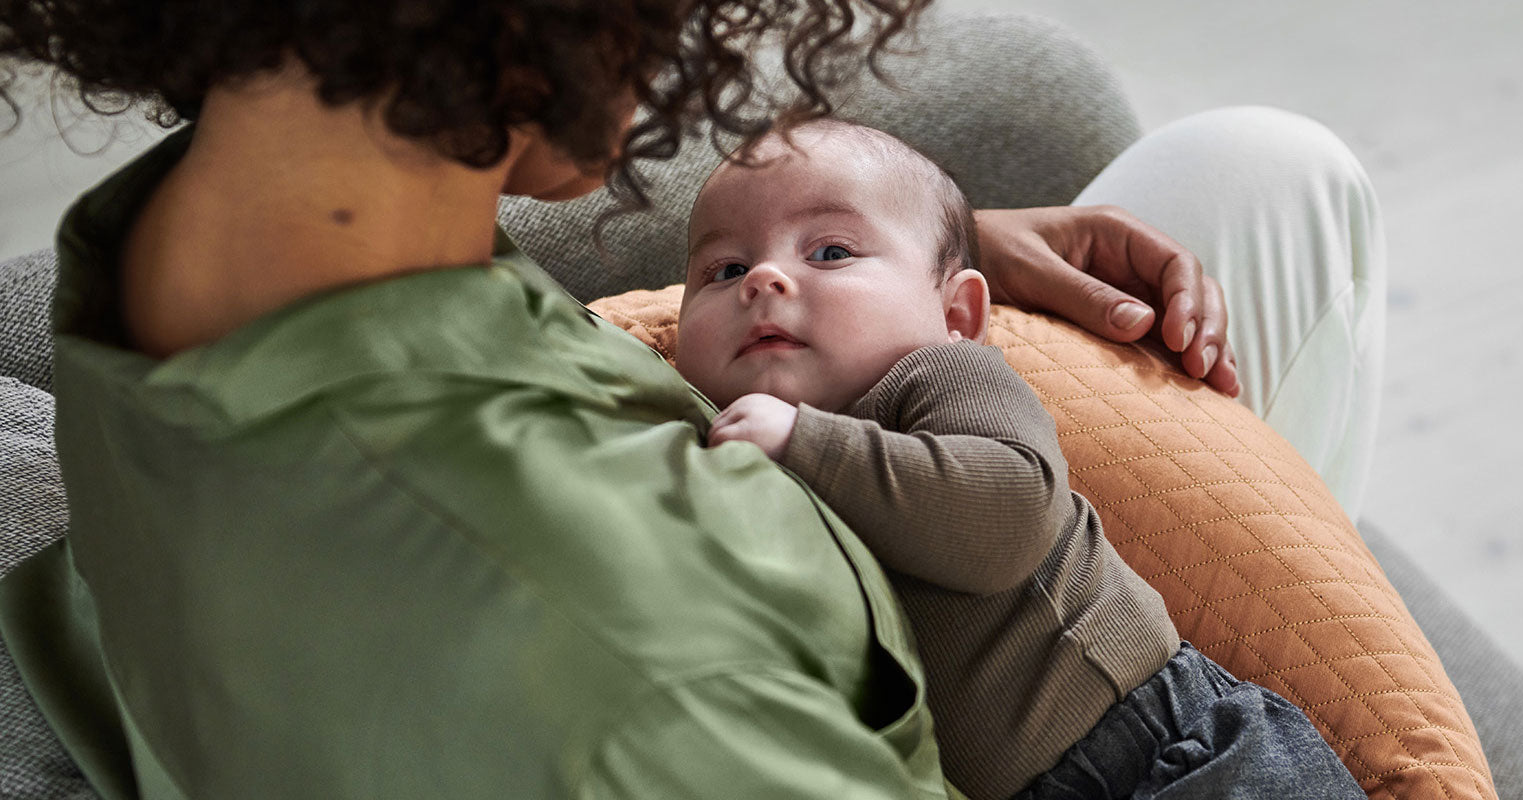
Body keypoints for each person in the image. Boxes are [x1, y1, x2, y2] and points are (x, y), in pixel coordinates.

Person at [0, 1, 1251, 798]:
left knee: (1236, 171)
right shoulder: (656, 685)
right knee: (1262, 178)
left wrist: (888, 278)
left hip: (1156, 706)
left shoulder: (168, 265)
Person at [674, 119, 1361, 800]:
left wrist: (805, 442)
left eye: (829, 252)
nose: (762, 279)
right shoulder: (735, 456)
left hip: (1168, 752)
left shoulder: (942, 378)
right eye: (725, 269)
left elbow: (1012, 517)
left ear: (958, 313)